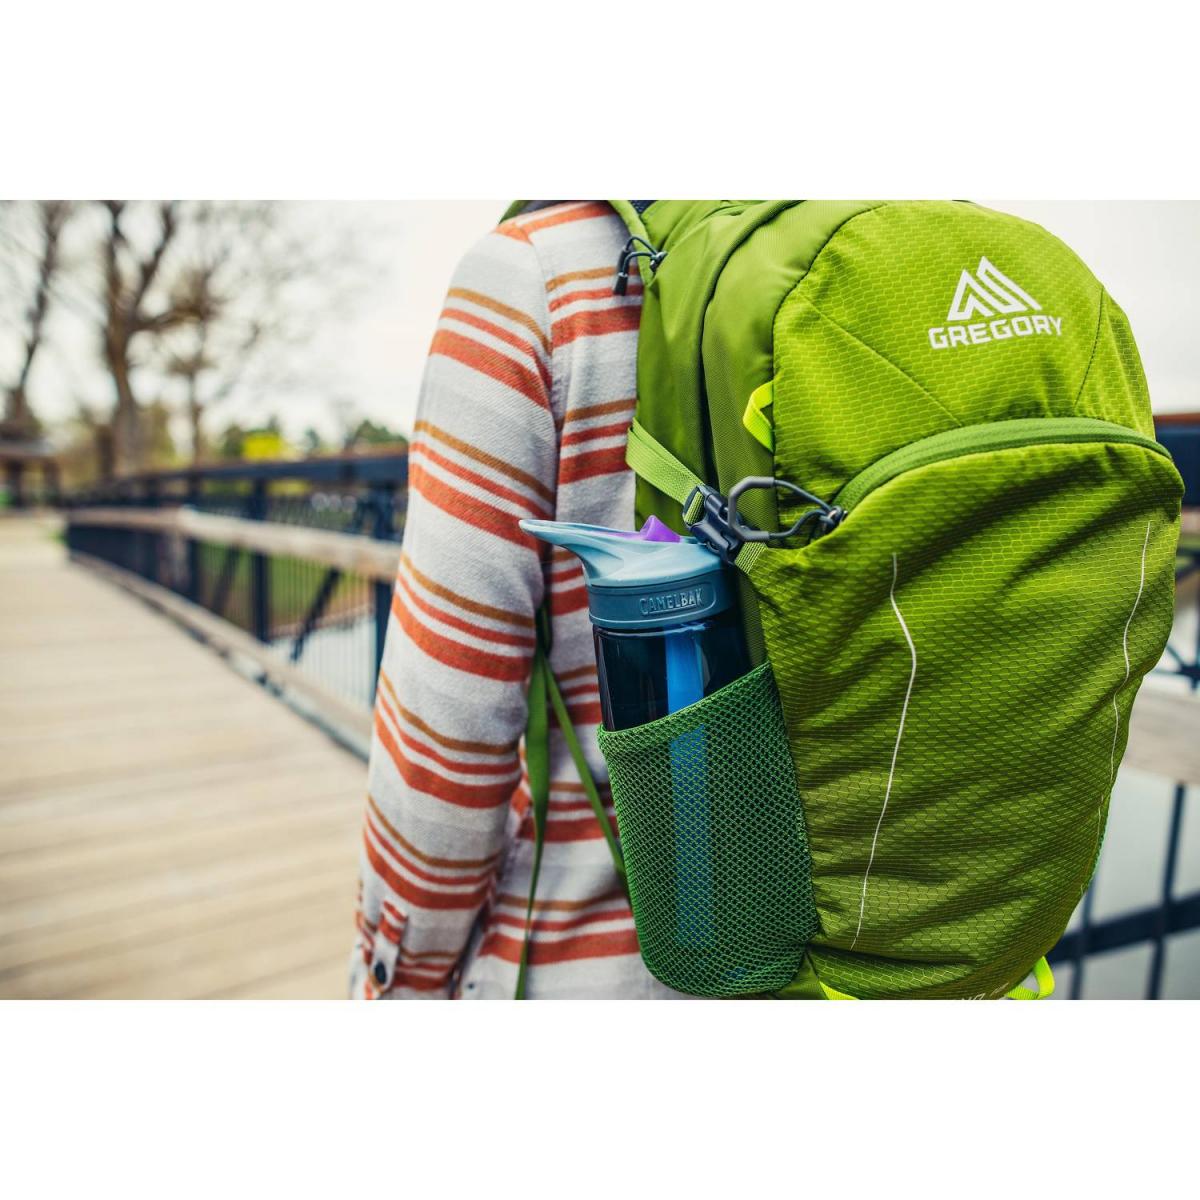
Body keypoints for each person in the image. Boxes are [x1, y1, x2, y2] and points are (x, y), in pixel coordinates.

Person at [350, 201, 683, 999]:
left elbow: (446, 735)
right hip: (922, 960)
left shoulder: (534, 275)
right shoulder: (927, 256)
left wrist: (395, 973)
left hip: (618, 971)